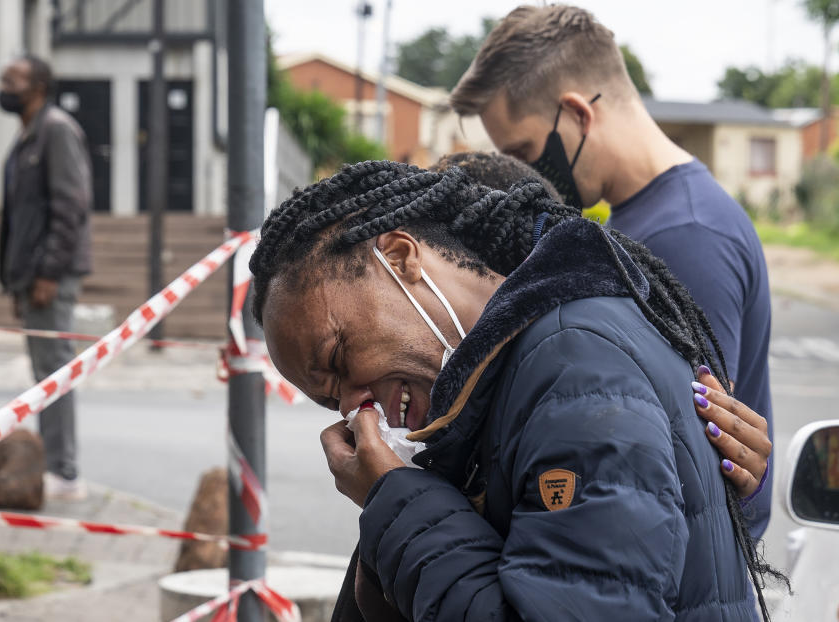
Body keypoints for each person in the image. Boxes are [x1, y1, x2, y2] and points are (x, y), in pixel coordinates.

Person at [250, 161, 784, 621]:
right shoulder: (490, 393)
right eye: (330, 402)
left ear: (400, 257)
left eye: (339, 360)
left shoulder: (573, 367)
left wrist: (397, 501)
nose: (351, 407)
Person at [451, 5, 775, 537]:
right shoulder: (650, 216)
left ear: (577, 113)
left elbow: (687, 454)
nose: (526, 175)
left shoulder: (684, 235)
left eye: (525, 151)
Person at [432, 150, 772, 498]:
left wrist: (401, 490)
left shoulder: (688, 234)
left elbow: (705, 435)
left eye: (524, 145)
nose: (531, 161)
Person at [0, 55, 92, 501]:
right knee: (43, 374)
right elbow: (18, 216)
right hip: (30, 276)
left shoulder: (56, 130)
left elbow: (70, 206)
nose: (2, 86)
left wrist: (49, 272)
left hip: (50, 275)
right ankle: (54, 464)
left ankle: (64, 471)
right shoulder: (26, 137)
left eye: (11, 80)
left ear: (37, 85)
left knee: (55, 371)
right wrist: (14, 278)